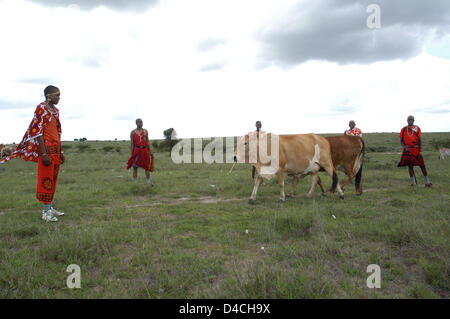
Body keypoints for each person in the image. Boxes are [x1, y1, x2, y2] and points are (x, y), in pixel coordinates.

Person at [1, 85, 65, 222]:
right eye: (57, 95)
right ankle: (46, 212)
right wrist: (43, 154)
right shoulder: (41, 109)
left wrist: (61, 151)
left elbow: (57, 132)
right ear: (48, 96)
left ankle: (50, 207)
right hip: (46, 150)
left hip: (55, 149)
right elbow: (37, 132)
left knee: (53, 180)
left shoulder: (55, 111)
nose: (59, 98)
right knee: (46, 180)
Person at [398, 115, 432, 187]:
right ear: (407, 120)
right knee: (410, 166)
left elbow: (420, 140)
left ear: (414, 120)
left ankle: (427, 182)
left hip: (416, 149)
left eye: (411, 119)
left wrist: (420, 151)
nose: (410, 120)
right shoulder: (403, 129)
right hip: (407, 150)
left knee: (422, 165)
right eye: (409, 119)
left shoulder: (417, 128)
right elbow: (401, 141)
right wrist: (405, 147)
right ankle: (413, 183)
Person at [126, 119, 154, 184]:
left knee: (146, 167)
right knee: (135, 167)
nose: (141, 123)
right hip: (136, 150)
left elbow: (147, 141)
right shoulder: (132, 132)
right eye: (139, 122)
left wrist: (150, 151)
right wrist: (132, 153)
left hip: (145, 150)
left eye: (142, 122)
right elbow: (132, 143)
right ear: (136, 123)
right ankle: (135, 183)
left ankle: (148, 182)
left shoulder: (145, 131)